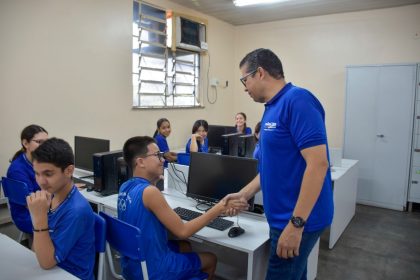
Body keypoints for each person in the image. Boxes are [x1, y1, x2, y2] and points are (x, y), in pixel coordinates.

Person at [224, 48, 333, 280]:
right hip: (281, 218)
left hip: (297, 219)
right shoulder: (271, 109)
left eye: (245, 79)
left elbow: (318, 164)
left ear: (260, 73)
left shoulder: (298, 100)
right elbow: (271, 168)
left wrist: (296, 225)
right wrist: (244, 193)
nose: (244, 87)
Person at [118, 136, 244, 280]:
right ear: (140, 162)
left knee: (185, 246)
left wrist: (152, 181)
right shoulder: (150, 193)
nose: (163, 160)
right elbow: (183, 231)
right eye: (157, 155)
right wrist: (219, 208)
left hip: (132, 264)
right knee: (210, 259)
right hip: (153, 270)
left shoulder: (125, 186)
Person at [26, 138, 95, 280]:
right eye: (37, 173)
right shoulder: (51, 197)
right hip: (51, 271)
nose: (40, 181)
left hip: (70, 275)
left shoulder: (76, 211)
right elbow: (37, 252)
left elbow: (46, 262)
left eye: (48, 174)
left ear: (69, 171)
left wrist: (39, 218)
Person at [6, 124, 48, 234]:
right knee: (71, 220)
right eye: (39, 142)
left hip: (44, 207)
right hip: (27, 215)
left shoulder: (41, 161)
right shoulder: (17, 170)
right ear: (25, 143)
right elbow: (31, 205)